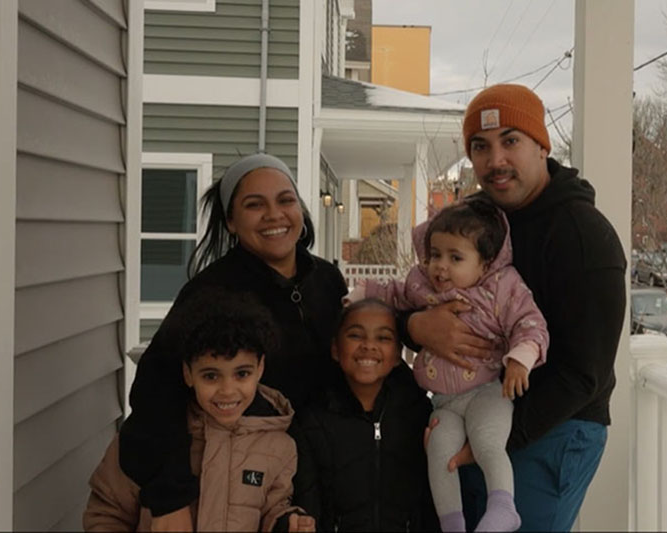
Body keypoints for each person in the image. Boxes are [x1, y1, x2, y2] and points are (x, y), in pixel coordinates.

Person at [407, 84, 627, 531]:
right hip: (472, 410)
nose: (495, 160)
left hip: (554, 425)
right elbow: (416, 288)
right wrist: (416, 326)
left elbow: (584, 372)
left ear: (542, 145)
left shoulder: (584, 236)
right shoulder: (474, 221)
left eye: (511, 141)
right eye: (480, 147)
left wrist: (495, 438)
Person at [118, 154, 347, 529]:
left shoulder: (326, 281)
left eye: (285, 200)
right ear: (230, 221)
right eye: (254, 205)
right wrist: (170, 498)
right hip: (239, 484)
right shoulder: (212, 292)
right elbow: (155, 390)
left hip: (315, 476)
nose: (274, 214)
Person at [351, 198, 549, 532]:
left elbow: (530, 324)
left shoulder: (501, 288)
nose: (441, 266)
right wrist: (357, 295)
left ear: (484, 264)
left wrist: (520, 359)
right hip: (444, 402)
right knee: (439, 452)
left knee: (488, 442)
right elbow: (394, 293)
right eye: (435, 255)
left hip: (488, 392)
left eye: (455, 258)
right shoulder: (422, 286)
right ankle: (452, 523)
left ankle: (503, 506)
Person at [83, 292, 315, 532]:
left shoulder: (280, 446)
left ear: (260, 368)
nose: (227, 390)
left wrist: (286, 522)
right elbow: (107, 513)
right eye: (211, 376)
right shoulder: (150, 436)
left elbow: (272, 507)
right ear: (187, 373)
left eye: (242, 374)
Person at [290, 299, 439, 532]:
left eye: (383, 338)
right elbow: (309, 504)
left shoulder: (419, 413)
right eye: (355, 335)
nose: (369, 346)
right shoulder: (311, 422)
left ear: (398, 354)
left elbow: (431, 499)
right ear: (335, 349)